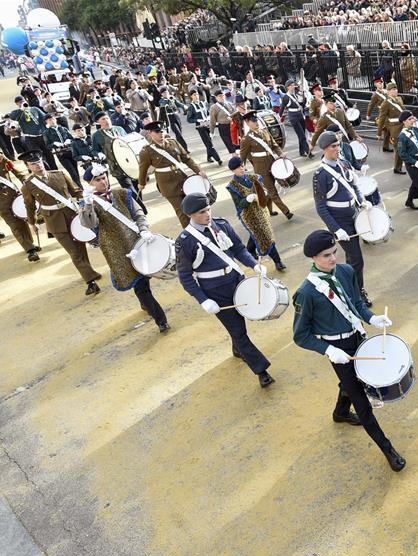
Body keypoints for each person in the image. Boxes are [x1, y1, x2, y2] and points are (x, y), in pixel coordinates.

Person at [292, 229, 406, 472]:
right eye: (326, 255)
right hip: (337, 348)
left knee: (351, 382)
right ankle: (387, 448)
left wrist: (371, 317)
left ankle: (340, 412)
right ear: (313, 258)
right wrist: (328, 350)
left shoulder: (345, 271)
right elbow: (300, 336)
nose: (333, 258)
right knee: (362, 401)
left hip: (358, 337)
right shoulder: (306, 293)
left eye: (334, 252)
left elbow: (355, 304)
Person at [174, 193, 275, 388]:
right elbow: (185, 276)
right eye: (202, 212)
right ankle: (261, 370)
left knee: (241, 323)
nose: (208, 214)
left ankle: (238, 349)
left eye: (208, 209)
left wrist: (253, 265)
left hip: (236, 280)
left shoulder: (221, 224)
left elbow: (238, 249)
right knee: (239, 331)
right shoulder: (185, 240)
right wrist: (203, 299)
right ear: (191, 215)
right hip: (215, 291)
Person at [78, 163, 169, 332]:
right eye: (97, 180)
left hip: (136, 242)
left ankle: (147, 305)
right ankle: (160, 320)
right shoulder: (87, 204)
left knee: (144, 281)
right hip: (116, 250)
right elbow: (90, 224)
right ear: (91, 184)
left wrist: (144, 230)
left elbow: (138, 214)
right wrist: (88, 203)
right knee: (139, 285)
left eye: (104, 177)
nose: (103, 182)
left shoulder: (122, 193)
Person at [19, 151, 102, 295]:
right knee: (74, 252)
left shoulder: (59, 174)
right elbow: (29, 205)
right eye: (33, 163)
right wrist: (32, 223)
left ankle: (88, 271)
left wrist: (92, 199)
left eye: (38, 161)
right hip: (54, 221)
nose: (38, 164)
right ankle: (90, 280)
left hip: (72, 215)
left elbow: (76, 191)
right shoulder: (28, 185)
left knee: (80, 247)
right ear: (28, 166)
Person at [312, 131, 373, 307]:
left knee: (352, 259)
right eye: (333, 146)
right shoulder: (320, 174)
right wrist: (336, 229)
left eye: (338, 145)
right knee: (357, 259)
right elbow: (321, 207)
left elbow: (355, 186)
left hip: (354, 214)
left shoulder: (344, 163)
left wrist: (363, 201)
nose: (337, 148)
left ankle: (349, 287)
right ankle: (358, 293)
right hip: (339, 221)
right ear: (324, 149)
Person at [137, 121, 206, 227]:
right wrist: (141, 183)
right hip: (168, 186)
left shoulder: (173, 142)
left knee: (194, 207)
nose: (161, 134)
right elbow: (143, 169)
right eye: (157, 132)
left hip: (183, 181)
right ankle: (191, 234)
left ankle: (201, 227)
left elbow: (186, 159)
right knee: (182, 212)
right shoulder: (146, 151)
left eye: (162, 131)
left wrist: (198, 170)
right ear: (150, 133)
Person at [225, 156, 287, 271]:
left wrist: (264, 192)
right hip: (248, 215)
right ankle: (278, 261)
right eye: (238, 168)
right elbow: (239, 204)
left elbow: (264, 193)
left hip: (261, 211)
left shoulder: (254, 178)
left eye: (242, 165)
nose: (242, 168)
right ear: (233, 170)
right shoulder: (232, 186)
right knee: (265, 235)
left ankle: (250, 249)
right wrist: (248, 199)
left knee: (258, 232)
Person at [239, 111, 294, 220]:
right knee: (272, 191)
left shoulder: (264, 132)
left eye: (257, 120)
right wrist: (241, 169)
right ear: (247, 122)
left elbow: (274, 145)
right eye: (253, 121)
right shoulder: (246, 139)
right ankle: (286, 211)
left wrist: (280, 153)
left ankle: (269, 210)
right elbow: (243, 156)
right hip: (261, 169)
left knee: (269, 191)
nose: (256, 123)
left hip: (272, 164)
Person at [8, 96, 56, 169]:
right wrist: (21, 109)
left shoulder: (34, 109)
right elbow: (12, 116)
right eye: (20, 102)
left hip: (42, 136)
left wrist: (51, 120)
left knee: (49, 154)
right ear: (17, 104)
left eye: (23, 101)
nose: (22, 103)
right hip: (30, 138)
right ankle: (47, 171)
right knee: (38, 156)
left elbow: (44, 117)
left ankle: (54, 170)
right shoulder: (18, 113)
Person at [397, 110, 418, 210]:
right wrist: (414, 162)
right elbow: (402, 154)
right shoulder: (402, 136)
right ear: (404, 121)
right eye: (410, 119)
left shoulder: (416, 130)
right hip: (412, 162)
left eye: (413, 118)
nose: (413, 120)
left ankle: (409, 201)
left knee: (416, 182)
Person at [42, 113, 81, 186]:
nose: (52, 121)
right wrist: (55, 144)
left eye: (53, 119)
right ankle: (80, 188)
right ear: (46, 122)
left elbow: (72, 139)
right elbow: (48, 146)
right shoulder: (46, 133)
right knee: (72, 172)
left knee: (76, 171)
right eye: (50, 120)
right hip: (61, 154)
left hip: (70, 152)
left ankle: (78, 186)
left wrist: (69, 141)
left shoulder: (63, 128)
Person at [376, 83, 406, 174]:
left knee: (405, 147)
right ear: (388, 91)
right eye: (393, 89)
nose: (395, 91)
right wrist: (379, 133)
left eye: (396, 89)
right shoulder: (385, 103)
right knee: (399, 149)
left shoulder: (399, 99)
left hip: (403, 126)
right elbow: (381, 119)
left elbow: (404, 111)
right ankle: (397, 168)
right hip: (395, 129)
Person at [186, 90, 221, 164]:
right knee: (208, 143)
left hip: (207, 125)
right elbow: (189, 119)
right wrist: (198, 120)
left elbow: (208, 113)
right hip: (200, 126)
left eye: (197, 94)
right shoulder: (191, 107)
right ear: (191, 96)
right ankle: (218, 159)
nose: (196, 96)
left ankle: (209, 157)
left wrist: (208, 118)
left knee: (209, 141)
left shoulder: (203, 103)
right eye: (194, 95)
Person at [280, 80, 310, 157]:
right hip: (293, 117)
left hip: (300, 115)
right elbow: (282, 107)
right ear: (288, 87)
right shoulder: (286, 97)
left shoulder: (296, 94)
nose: (293, 86)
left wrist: (304, 100)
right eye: (291, 85)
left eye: (293, 85)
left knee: (302, 134)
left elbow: (301, 105)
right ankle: (308, 151)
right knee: (302, 135)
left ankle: (302, 151)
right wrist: (280, 116)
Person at [209, 90, 236, 154]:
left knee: (236, 143)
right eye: (219, 96)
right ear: (216, 98)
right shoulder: (214, 107)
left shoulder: (229, 104)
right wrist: (212, 132)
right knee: (229, 145)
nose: (222, 97)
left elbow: (235, 113)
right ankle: (236, 159)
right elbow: (212, 120)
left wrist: (233, 118)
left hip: (232, 125)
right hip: (223, 127)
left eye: (223, 95)